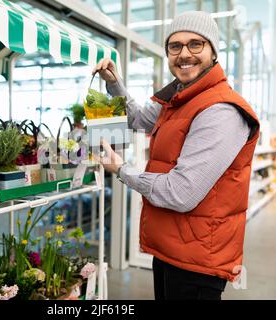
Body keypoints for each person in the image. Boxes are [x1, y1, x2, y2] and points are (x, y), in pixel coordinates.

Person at [93, 11, 260, 300]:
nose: (184, 54)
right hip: (173, 246)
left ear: (213, 52)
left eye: (196, 44)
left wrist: (121, 170)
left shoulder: (220, 110)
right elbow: (139, 119)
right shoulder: (179, 97)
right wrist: (114, 83)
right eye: (175, 46)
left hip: (197, 260)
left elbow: (181, 193)